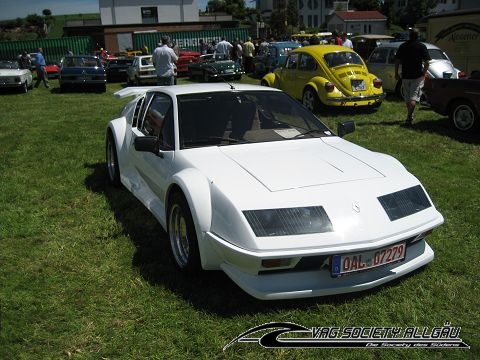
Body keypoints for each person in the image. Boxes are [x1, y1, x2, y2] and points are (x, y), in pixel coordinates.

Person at [394, 27, 431, 126]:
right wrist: (423, 73)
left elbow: (397, 61)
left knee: (407, 98)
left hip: (405, 76)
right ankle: (409, 117)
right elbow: (427, 62)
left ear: (409, 36)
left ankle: (410, 115)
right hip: (417, 77)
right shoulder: (421, 46)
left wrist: (396, 73)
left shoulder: (403, 46)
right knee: (413, 98)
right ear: (418, 36)